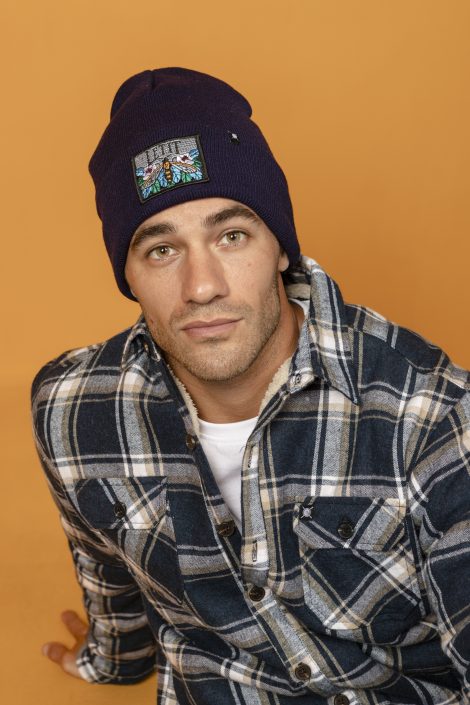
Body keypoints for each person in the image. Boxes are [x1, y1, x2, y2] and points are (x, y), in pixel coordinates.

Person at [31, 67, 470, 705]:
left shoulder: (433, 416)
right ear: (128, 273)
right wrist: (113, 660)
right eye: (161, 250)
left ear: (280, 248)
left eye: (231, 236)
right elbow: (108, 572)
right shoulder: (72, 410)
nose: (202, 286)